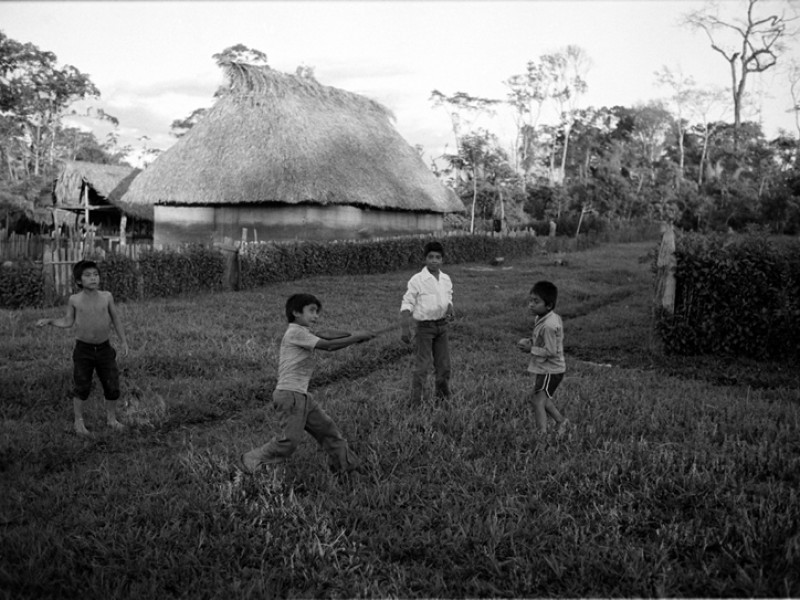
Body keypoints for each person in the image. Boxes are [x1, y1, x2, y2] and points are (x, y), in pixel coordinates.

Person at [241, 293, 375, 475]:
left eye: (317, 312)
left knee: (327, 430)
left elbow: (328, 334)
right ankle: (253, 458)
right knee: (289, 442)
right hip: (290, 395)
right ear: (296, 312)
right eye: (311, 311)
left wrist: (355, 336)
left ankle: (347, 466)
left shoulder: (304, 332)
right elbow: (328, 345)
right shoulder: (295, 332)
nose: (316, 316)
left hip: (302, 396)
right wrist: (355, 337)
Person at [36, 260, 129, 436]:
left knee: (112, 385)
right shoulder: (74, 300)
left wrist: (123, 341)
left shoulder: (107, 296)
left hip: (104, 349)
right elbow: (68, 321)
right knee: (82, 386)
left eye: (95, 274)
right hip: (83, 350)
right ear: (79, 281)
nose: (93, 278)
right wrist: (50, 321)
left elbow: (115, 319)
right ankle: (78, 422)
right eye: (87, 275)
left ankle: (111, 419)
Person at [400, 240, 454, 404]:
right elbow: (407, 302)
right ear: (425, 259)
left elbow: (448, 296)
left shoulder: (445, 279)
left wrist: (450, 307)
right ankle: (415, 401)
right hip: (424, 328)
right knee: (422, 366)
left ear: (442, 260)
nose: (434, 260)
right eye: (431, 257)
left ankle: (443, 397)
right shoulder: (417, 280)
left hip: (442, 327)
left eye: (438, 257)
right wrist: (405, 326)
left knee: (443, 365)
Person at [517, 280, 569, 435]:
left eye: (536, 301)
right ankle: (561, 421)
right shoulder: (544, 317)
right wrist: (532, 341)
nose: (531, 305)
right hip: (546, 368)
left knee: (537, 401)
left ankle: (542, 434)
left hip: (551, 370)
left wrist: (531, 349)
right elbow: (545, 341)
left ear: (549, 305)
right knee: (542, 399)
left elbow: (551, 351)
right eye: (530, 300)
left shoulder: (548, 325)